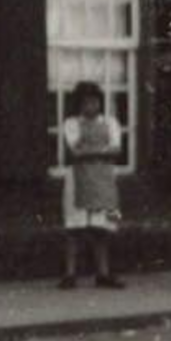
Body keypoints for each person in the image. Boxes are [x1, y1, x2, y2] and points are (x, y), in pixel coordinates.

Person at [60, 81, 125, 289]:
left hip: (104, 179)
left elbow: (117, 151)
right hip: (77, 178)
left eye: (95, 102)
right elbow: (73, 152)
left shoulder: (111, 123)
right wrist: (102, 151)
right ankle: (70, 274)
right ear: (79, 104)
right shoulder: (71, 123)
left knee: (102, 227)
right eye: (86, 102)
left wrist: (87, 151)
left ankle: (103, 273)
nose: (91, 106)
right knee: (74, 227)